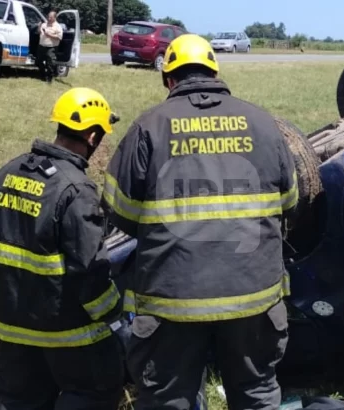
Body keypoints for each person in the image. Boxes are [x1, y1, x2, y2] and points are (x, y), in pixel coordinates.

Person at [101, 34, 299, 410]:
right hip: (253, 297)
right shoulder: (263, 123)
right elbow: (289, 202)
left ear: (169, 79)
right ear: (214, 71)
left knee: (167, 400)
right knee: (256, 394)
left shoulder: (149, 127)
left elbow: (121, 213)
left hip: (172, 301)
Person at [0, 87, 124, 410]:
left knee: (20, 402)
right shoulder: (76, 189)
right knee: (97, 390)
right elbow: (92, 275)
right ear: (91, 136)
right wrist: (116, 316)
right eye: (100, 136)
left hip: (13, 332)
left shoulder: (7, 174)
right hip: (66, 336)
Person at [37, 11, 63, 83]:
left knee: (50, 64)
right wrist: (39, 26)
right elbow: (39, 32)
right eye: (48, 17)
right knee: (38, 62)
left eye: (51, 17)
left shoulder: (58, 26)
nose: (49, 18)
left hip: (51, 48)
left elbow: (59, 37)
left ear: (55, 18)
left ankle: (49, 79)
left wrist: (50, 35)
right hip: (41, 46)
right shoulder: (44, 24)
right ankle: (43, 75)